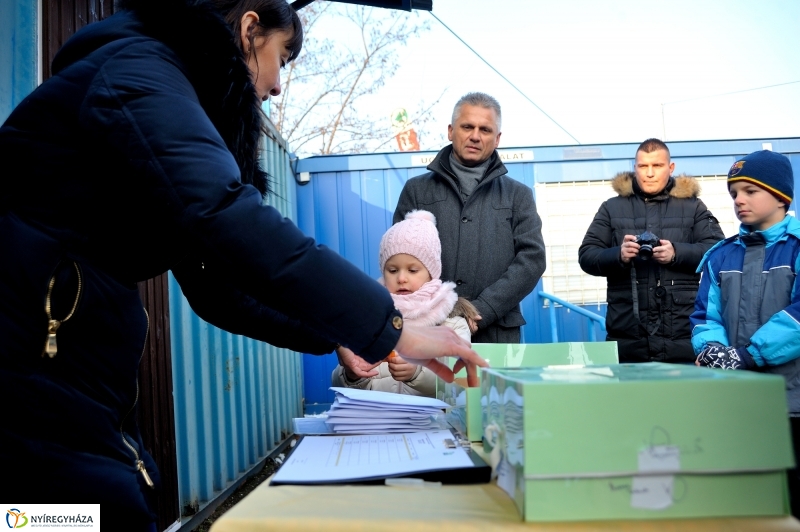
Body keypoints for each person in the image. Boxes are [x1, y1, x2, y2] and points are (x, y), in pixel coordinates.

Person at [0, 0, 485, 528]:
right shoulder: (137, 71)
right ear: (250, 29)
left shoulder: (157, 95)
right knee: (70, 513)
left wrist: (338, 333)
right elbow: (224, 214)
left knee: (78, 510)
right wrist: (387, 326)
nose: (278, 86)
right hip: (29, 348)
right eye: (282, 57)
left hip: (71, 347)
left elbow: (218, 287)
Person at [690, 150, 800, 517]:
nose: (739, 200)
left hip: (793, 404)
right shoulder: (721, 255)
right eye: (734, 191)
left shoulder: (797, 247)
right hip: (738, 404)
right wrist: (713, 350)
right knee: (748, 506)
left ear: (782, 196)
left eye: (751, 190)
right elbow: (705, 315)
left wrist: (749, 355)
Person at [393, 92, 546, 343]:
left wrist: (482, 308)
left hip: (497, 333)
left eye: (485, 130)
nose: (475, 135)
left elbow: (533, 260)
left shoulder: (518, 195)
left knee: (491, 385)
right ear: (451, 131)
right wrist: (438, 309)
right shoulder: (416, 191)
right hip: (429, 330)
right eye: (467, 126)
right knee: (431, 385)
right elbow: (401, 259)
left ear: (497, 139)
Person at [578, 138, 724, 363]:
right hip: (628, 337)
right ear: (635, 167)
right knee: (632, 398)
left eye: (657, 166)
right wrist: (619, 254)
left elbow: (717, 252)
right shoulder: (611, 207)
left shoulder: (694, 206)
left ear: (670, 167)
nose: (649, 173)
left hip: (683, 336)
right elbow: (587, 255)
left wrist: (676, 253)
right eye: (643, 166)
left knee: (683, 398)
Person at [332, 210, 479, 397]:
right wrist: (352, 375)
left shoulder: (451, 322)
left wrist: (417, 374)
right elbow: (339, 381)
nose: (401, 278)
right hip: (375, 422)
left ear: (431, 272)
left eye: (412, 270)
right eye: (392, 270)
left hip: (429, 424)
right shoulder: (367, 315)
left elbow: (459, 382)